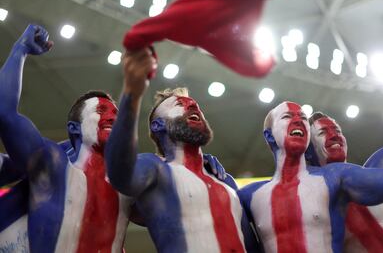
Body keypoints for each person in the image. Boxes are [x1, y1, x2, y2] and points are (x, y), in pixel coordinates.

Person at [104, 50, 260, 252]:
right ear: (158, 126)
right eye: (180, 104)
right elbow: (120, 174)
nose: (192, 107)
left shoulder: (225, 180)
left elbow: (251, 245)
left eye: (195, 105)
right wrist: (132, 94)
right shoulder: (155, 169)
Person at [0, 24, 135, 252]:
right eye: (101, 111)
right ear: (74, 128)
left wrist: (206, 165)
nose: (113, 118)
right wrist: (20, 50)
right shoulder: (53, 166)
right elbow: (5, 112)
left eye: (116, 114)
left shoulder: (133, 184)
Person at [238, 101, 383, 253]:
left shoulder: (334, 177)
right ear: (269, 135)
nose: (298, 120)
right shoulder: (248, 196)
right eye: (287, 116)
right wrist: (211, 164)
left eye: (303, 117)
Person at [308, 112, 383, 252]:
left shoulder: (377, 167)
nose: (334, 135)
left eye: (337, 130)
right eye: (322, 132)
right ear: (308, 150)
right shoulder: (312, 204)